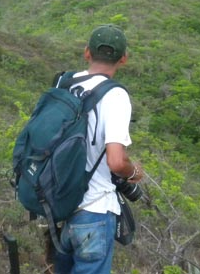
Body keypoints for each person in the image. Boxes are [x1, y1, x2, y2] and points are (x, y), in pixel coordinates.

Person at [54, 24, 143, 274]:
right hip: (94, 210)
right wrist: (134, 171)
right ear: (123, 58)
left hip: (59, 204)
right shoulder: (115, 96)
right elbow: (116, 162)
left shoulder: (65, 83)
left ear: (86, 52)